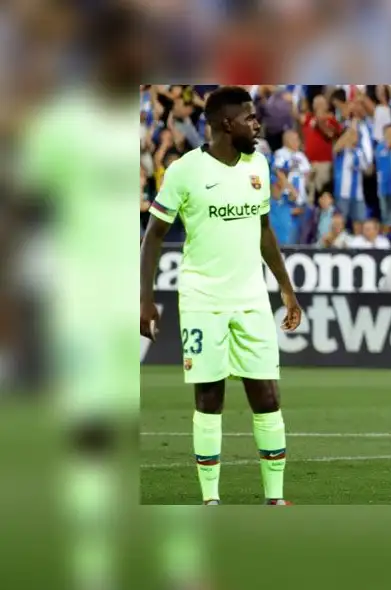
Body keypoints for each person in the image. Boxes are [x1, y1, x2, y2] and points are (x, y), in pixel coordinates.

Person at [140, 86, 303, 505]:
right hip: (201, 299)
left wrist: (286, 289)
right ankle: (211, 500)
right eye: (248, 117)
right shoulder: (184, 171)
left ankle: (275, 498)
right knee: (209, 397)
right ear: (224, 125)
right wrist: (144, 298)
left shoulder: (259, 166)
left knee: (267, 394)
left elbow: (264, 230)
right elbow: (154, 235)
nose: (256, 123)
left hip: (251, 297)